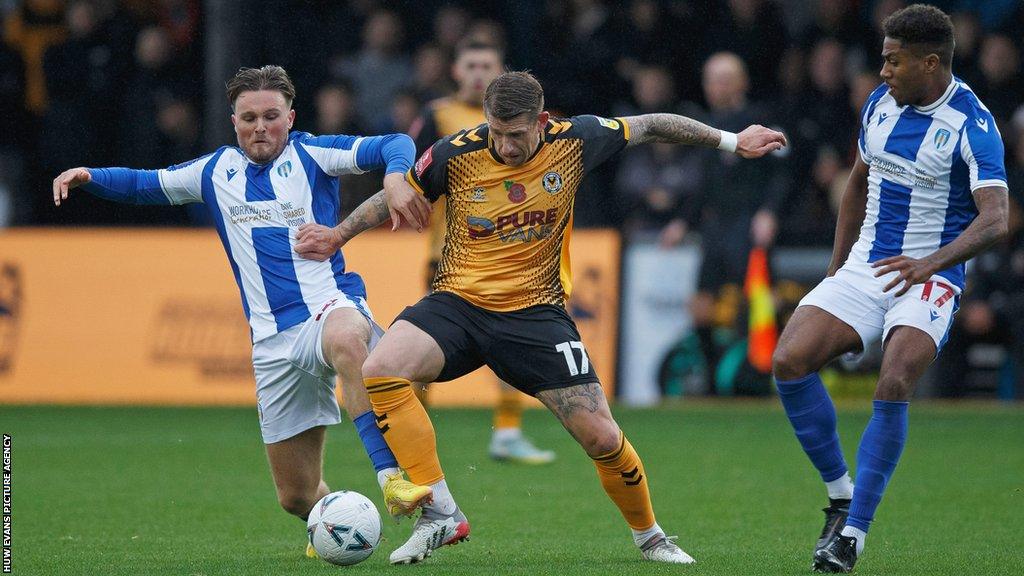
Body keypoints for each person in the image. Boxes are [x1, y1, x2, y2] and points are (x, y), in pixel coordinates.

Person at [332, 70, 786, 565]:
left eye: (517, 134)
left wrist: (731, 140)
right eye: (496, 132)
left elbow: (653, 124)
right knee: (381, 368)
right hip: (458, 302)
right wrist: (336, 237)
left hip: (535, 314)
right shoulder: (454, 153)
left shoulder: (577, 140)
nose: (504, 146)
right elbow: (395, 194)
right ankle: (440, 513)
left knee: (602, 437)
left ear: (542, 122)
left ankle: (652, 537)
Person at [50, 65, 433, 557]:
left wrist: (398, 177)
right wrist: (89, 176)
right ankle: (330, 523)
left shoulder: (314, 154)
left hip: (329, 307)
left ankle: (390, 478)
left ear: (290, 118)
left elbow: (394, 143)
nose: (260, 127)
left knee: (347, 339)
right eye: (249, 117)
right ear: (234, 121)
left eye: (271, 116)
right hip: (273, 342)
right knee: (295, 496)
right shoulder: (214, 172)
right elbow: (145, 184)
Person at [770, 5, 1009, 573]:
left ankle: (852, 535)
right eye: (883, 59)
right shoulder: (881, 105)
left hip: (933, 275)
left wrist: (932, 262)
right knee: (788, 360)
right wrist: (835, 269)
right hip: (869, 266)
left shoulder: (972, 124)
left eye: (893, 61)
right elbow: (858, 181)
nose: (882, 71)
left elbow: (997, 218)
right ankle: (840, 494)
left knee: (895, 377)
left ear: (931, 64)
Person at [408, 40, 555, 465]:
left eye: (486, 65)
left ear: (500, 71)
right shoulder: (438, 115)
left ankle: (507, 432)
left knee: (512, 348)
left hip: (516, 255)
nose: (477, 73)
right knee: (421, 349)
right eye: (470, 65)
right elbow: (413, 173)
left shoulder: (527, 123)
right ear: (455, 70)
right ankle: (414, 434)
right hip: (451, 256)